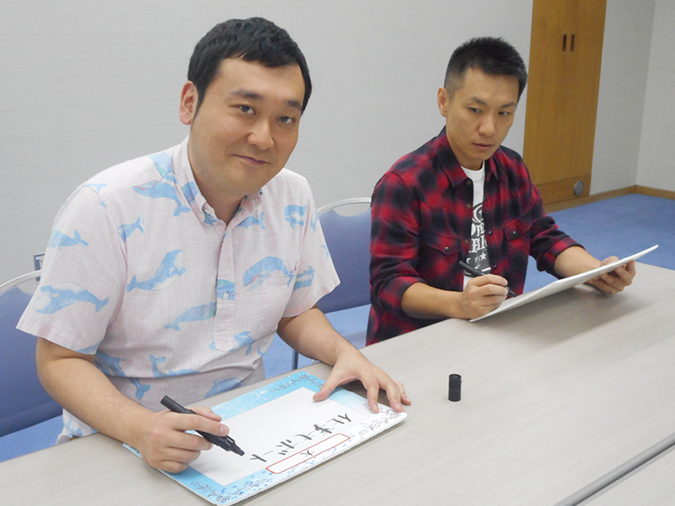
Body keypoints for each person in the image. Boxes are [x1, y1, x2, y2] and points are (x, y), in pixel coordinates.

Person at [18, 17, 410, 473]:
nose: (264, 137)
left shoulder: (292, 195)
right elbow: (59, 358)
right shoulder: (106, 208)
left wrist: (345, 354)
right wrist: (140, 428)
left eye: (285, 119)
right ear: (190, 103)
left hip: (248, 432)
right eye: (245, 109)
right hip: (119, 443)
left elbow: (295, 311)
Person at [368, 37, 636, 345]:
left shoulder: (512, 169)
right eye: (475, 110)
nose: (489, 129)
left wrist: (597, 271)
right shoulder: (404, 184)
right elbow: (389, 283)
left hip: (499, 330)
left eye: (504, 113)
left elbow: (544, 238)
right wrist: (460, 304)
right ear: (444, 101)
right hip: (419, 341)